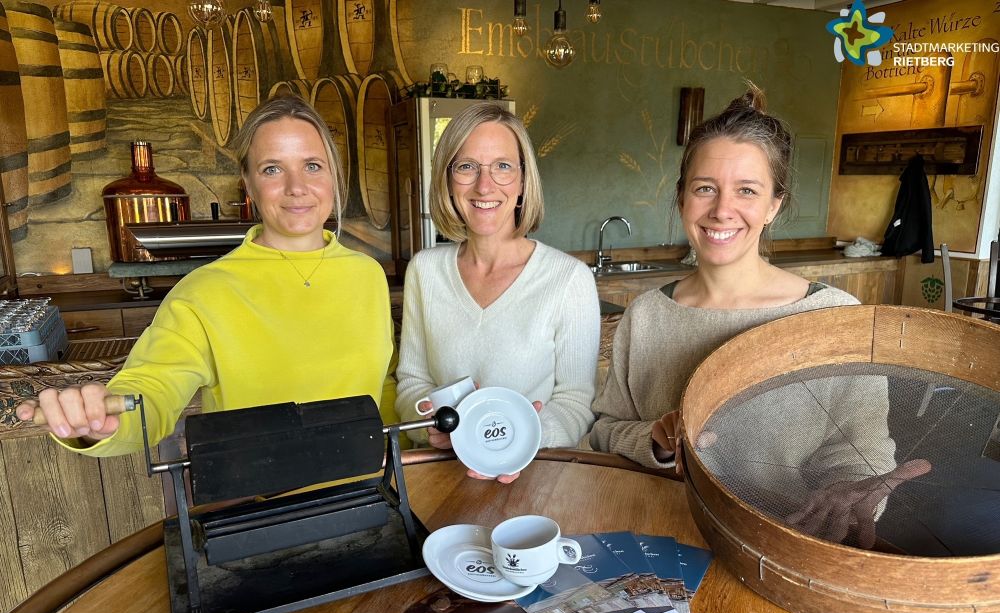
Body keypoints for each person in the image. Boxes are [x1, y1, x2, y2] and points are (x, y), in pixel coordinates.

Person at [587, 83, 929, 548]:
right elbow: (605, 431)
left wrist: (847, 498)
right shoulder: (647, 316)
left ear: (774, 204)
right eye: (705, 188)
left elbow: (860, 458)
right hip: (656, 543)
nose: (722, 210)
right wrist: (657, 442)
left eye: (746, 190)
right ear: (682, 197)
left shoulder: (834, 319)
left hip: (783, 545)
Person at [17, 95, 396, 459]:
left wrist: (410, 455)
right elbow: (153, 388)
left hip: (374, 489)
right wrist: (103, 420)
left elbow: (385, 387)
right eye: (272, 169)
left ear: (333, 175)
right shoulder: (205, 290)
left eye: (312, 165)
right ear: (247, 183)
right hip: (258, 504)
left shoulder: (366, 274)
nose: (297, 187)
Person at [395, 102, 600, 480]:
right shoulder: (424, 270)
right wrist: (432, 424)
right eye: (466, 166)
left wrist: (516, 442)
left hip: (534, 479)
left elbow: (576, 404)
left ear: (523, 182)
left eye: (502, 167)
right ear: (447, 179)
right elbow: (411, 383)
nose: (484, 185)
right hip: (440, 478)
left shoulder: (569, 279)